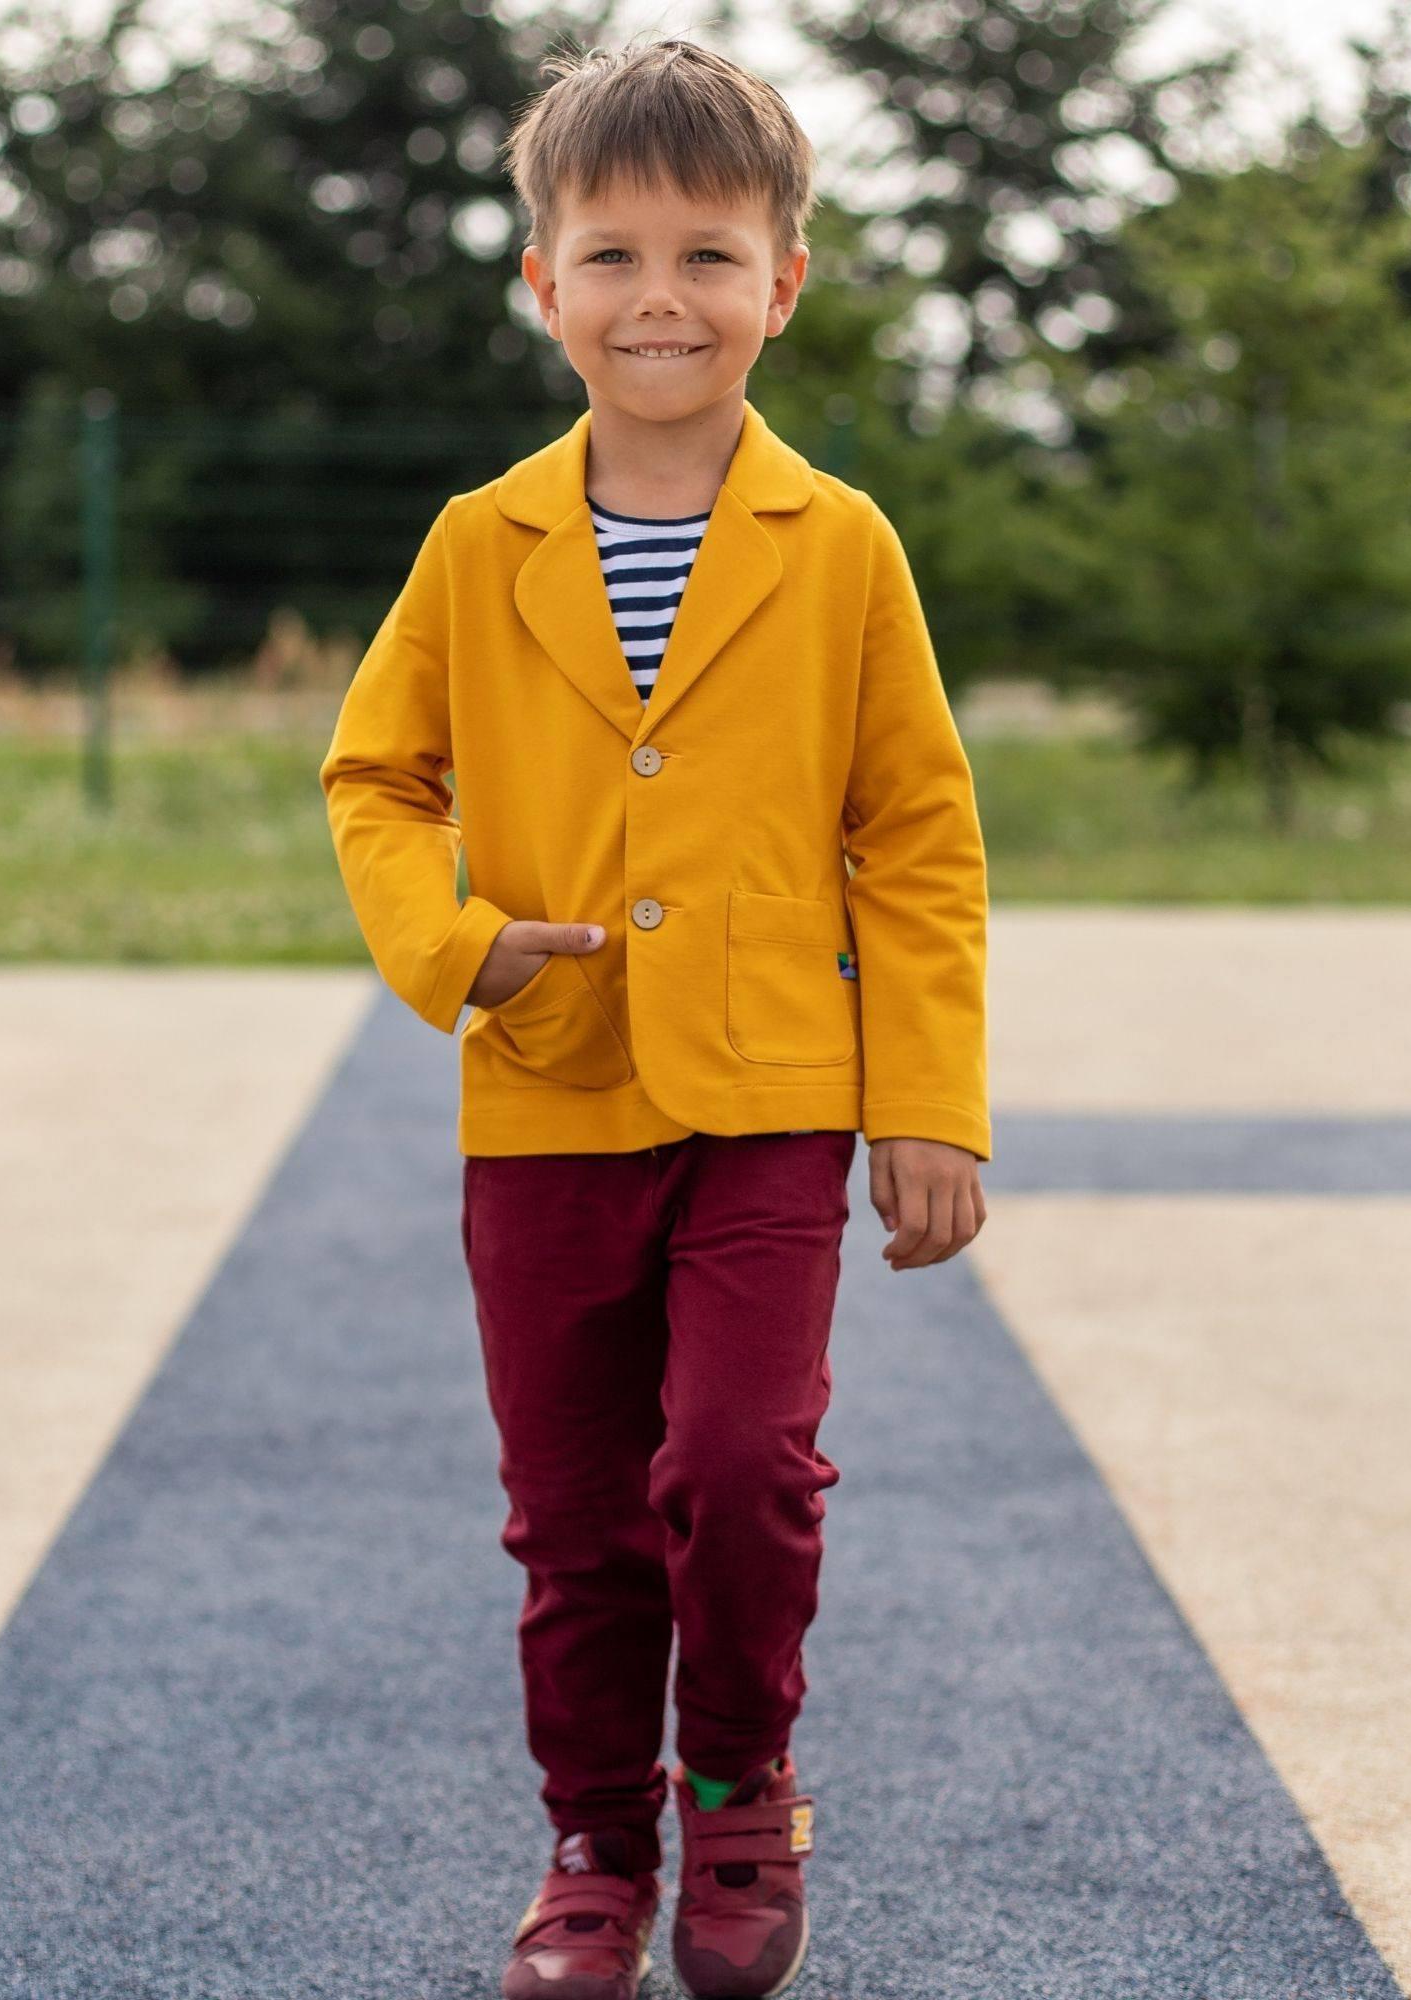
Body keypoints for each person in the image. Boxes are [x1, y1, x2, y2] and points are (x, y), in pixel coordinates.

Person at [318, 35, 991, 2000]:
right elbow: (378, 778)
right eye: (609, 256)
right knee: (579, 1516)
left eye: (707, 254)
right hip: (543, 1092)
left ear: (784, 280)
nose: (659, 298)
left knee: (741, 1467)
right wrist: (456, 944)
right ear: (543, 287)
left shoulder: (842, 544)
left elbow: (918, 832)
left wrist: (927, 1101)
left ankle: (743, 1789)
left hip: (779, 1084)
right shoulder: (476, 541)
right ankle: (597, 1839)